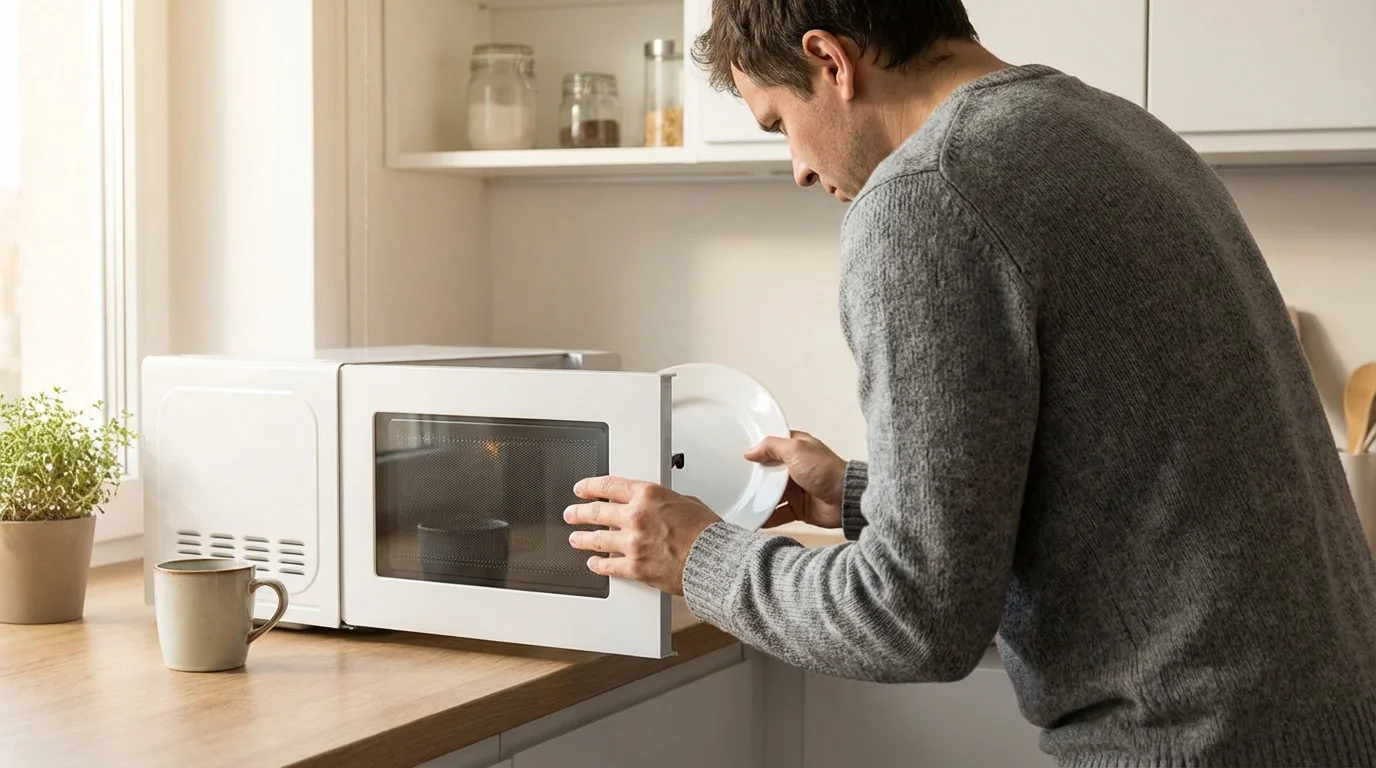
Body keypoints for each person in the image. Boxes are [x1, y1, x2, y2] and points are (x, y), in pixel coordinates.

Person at [563, 0, 1376, 764]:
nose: (799, 169)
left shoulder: (927, 194)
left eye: (781, 123)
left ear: (830, 61)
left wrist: (696, 554)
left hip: (1195, 743)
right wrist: (856, 496)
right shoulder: (1109, 124)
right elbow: (1123, 472)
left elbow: (914, 619)